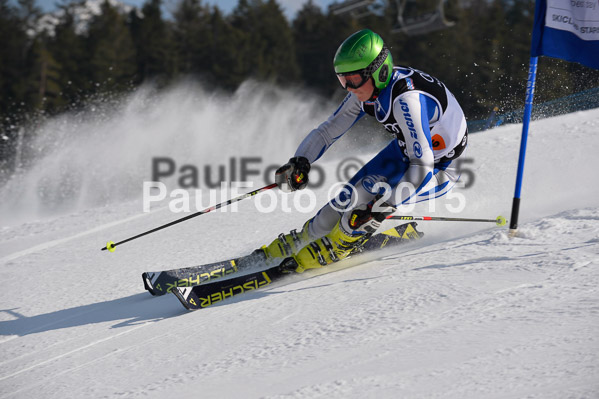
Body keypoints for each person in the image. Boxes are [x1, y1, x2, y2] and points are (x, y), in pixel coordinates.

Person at [262, 28, 468, 273]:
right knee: (343, 200)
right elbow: (328, 130)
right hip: (405, 153)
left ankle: (341, 242)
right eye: (342, 80)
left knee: (366, 197)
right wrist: (301, 161)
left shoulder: (405, 100)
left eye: (353, 79)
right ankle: (307, 236)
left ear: (378, 71)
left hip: (439, 169)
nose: (349, 87)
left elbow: (422, 165)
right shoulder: (366, 91)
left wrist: (383, 208)